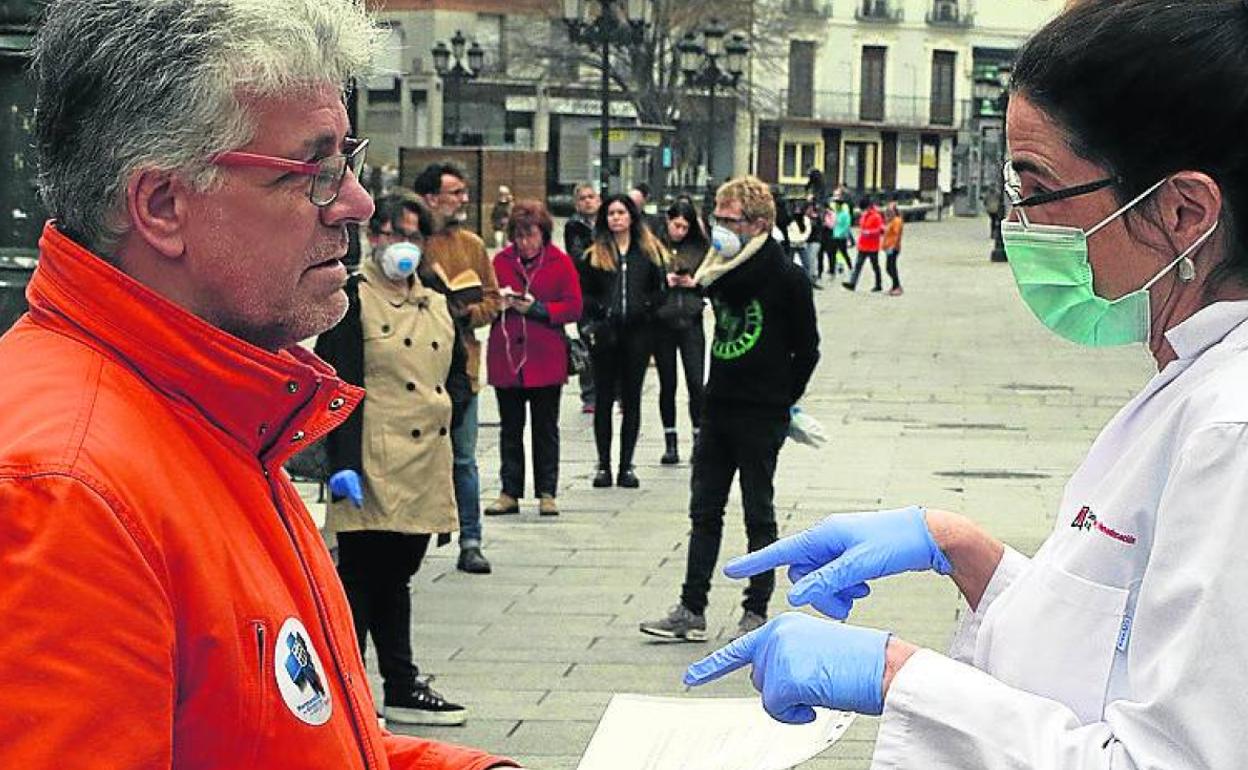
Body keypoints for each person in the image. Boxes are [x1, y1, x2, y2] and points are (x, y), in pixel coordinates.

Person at [684, 2, 1248, 767]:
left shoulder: (1231, 426)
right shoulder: (1191, 376)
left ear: (1183, 211)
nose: (1018, 224)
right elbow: (1114, 646)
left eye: (1037, 189)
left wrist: (898, 677)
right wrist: (968, 552)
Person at [0, 0, 519, 767]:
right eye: (314, 171)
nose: (357, 203)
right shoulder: (67, 494)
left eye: (349, 158)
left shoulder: (208, 409)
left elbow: (270, 740)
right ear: (163, 206)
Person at [640, 175, 819, 642]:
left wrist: (783, 401)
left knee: (758, 512)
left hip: (761, 412)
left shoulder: (786, 278)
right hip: (717, 406)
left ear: (757, 224)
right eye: (715, 217)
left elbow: (809, 349)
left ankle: (755, 608)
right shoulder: (716, 272)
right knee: (704, 509)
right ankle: (691, 607)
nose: (718, 227)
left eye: (728, 219)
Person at [315, 194, 470, 727]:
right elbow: (338, 380)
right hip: (371, 458)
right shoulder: (353, 297)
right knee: (360, 575)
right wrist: (341, 461)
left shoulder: (436, 297)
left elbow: (458, 371)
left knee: (399, 573)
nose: (397, 245)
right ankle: (350, 688)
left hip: (425, 457)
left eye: (408, 234)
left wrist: (452, 405)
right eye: (385, 233)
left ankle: (400, 684)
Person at [413, 161, 502, 576]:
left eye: (464, 192)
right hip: (416, 369)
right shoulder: (414, 244)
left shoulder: (471, 244)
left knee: (464, 459)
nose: (463, 200)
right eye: (456, 193)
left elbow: (492, 299)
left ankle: (471, 540)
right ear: (431, 198)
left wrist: (468, 313)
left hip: (462, 366)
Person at [484, 200, 583, 516]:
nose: (525, 243)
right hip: (508, 358)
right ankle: (509, 491)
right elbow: (484, 300)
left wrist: (538, 309)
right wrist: (498, 303)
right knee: (510, 428)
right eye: (520, 236)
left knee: (545, 428)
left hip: (545, 358)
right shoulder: (499, 261)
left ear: (544, 234)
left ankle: (547, 491)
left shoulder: (560, 262)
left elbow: (573, 307)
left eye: (531, 235)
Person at [578, 193, 666, 488]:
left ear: (631, 217)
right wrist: (597, 316)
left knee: (632, 399)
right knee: (603, 398)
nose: (616, 218)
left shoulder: (648, 252)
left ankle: (626, 465)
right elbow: (585, 295)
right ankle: (603, 465)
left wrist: (646, 307)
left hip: (638, 332)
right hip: (606, 332)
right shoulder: (595, 255)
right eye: (611, 213)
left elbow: (659, 290)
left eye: (621, 212)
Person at [654, 198, 710, 465]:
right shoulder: (655, 247)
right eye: (676, 225)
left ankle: (699, 440)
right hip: (663, 321)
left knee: (696, 382)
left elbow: (712, 280)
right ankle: (670, 441)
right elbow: (645, 281)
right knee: (667, 383)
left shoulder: (701, 248)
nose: (680, 231)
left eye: (685, 227)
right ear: (668, 221)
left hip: (690, 319)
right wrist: (664, 281)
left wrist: (694, 283)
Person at [564, 182, 601, 414]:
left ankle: (614, 392)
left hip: (608, 291)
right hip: (585, 291)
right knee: (587, 341)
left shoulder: (609, 222)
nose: (588, 201)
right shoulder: (574, 227)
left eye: (591, 197)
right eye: (583, 198)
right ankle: (589, 394)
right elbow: (577, 257)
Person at [843, 197, 884, 292]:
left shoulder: (876, 216)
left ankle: (878, 284)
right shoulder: (864, 216)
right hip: (863, 245)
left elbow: (880, 230)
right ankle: (852, 283)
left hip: (873, 246)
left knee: (875, 265)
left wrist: (869, 232)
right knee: (858, 265)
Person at [882, 199, 905, 296]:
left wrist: (893, 246)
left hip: (893, 248)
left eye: (890, 211)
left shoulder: (897, 221)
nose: (888, 212)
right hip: (888, 247)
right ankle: (895, 285)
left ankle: (897, 286)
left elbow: (896, 235)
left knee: (891, 267)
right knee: (889, 268)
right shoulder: (891, 221)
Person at [490, 184, 513, 250]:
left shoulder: (510, 204)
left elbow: (511, 214)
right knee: (498, 241)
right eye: (502, 194)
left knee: (508, 244)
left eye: (505, 194)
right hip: (498, 226)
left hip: (508, 227)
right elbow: (494, 215)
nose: (503, 195)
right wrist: (495, 222)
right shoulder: (497, 205)